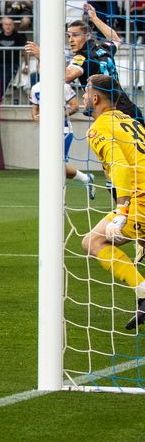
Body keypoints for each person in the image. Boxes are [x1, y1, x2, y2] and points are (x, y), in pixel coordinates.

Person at [80, 75, 145, 331]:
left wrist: (121, 211)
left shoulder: (98, 129)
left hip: (141, 199)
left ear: (95, 98)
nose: (83, 96)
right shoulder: (130, 121)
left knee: (93, 242)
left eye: (86, 92)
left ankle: (143, 292)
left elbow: (120, 166)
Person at [30, 81, 95, 199]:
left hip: (64, 131)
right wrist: (39, 118)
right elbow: (34, 113)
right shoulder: (36, 88)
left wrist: (56, 116)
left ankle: (61, 202)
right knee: (54, 166)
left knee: (57, 166)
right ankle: (86, 178)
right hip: (47, 133)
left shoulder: (63, 86)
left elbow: (75, 106)